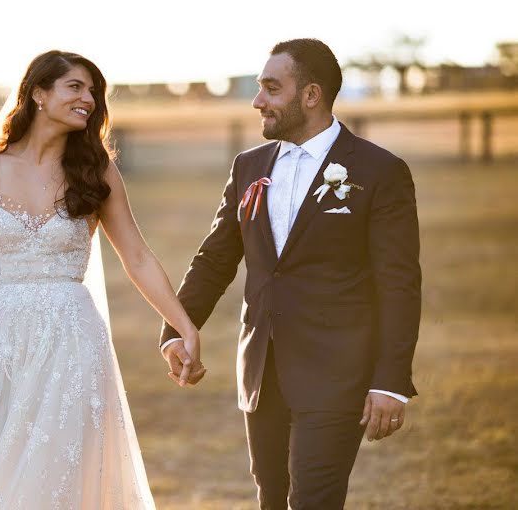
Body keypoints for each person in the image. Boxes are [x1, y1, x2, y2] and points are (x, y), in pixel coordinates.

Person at [0, 50, 201, 508]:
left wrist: (184, 326)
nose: (88, 98)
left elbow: (138, 257)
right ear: (38, 94)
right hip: (4, 339)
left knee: (61, 474)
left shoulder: (96, 171)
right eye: (75, 87)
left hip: (72, 339)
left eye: (93, 91)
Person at [160, 38, 422, 509]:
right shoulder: (249, 167)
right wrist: (177, 329)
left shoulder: (380, 171)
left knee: (313, 501)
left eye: (270, 88)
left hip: (337, 372)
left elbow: (399, 285)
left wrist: (390, 381)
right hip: (262, 370)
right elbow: (216, 258)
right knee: (271, 498)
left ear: (311, 95)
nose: (258, 101)